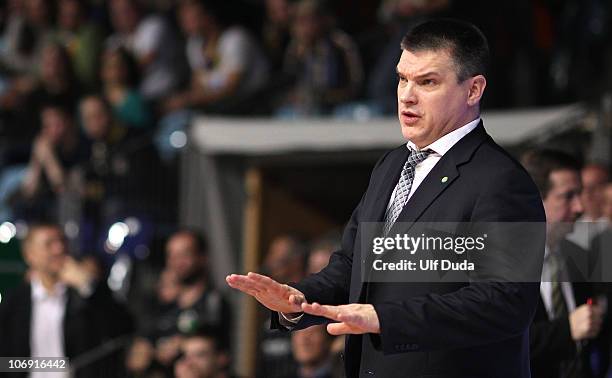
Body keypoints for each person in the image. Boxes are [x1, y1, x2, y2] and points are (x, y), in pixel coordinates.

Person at [227, 19, 546, 377]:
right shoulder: (391, 164)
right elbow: (352, 263)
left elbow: (506, 303)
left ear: (473, 90)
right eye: (402, 78)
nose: (407, 95)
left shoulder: (502, 181)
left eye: (427, 82)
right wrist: (297, 301)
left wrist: (384, 319)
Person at [0, 222, 133, 378]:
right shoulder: (15, 302)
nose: (59, 249)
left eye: (62, 241)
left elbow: (124, 329)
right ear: (30, 255)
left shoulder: (84, 295)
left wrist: (88, 286)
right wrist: (54, 365)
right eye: (49, 244)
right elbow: (5, 361)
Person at [522, 150, 609, 378]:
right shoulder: (499, 263)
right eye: (568, 196)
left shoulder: (578, 257)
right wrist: (566, 329)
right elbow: (498, 342)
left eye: (579, 194)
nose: (579, 207)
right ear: (534, 198)